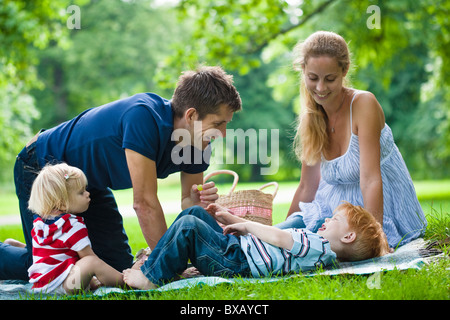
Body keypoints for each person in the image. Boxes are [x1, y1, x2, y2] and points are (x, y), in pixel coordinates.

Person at [0, 66, 242, 281]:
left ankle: (30, 247)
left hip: (87, 186)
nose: (223, 133)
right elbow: (145, 203)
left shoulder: (198, 143)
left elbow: (188, 201)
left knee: (115, 267)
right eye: (218, 123)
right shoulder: (143, 117)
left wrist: (197, 203)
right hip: (42, 168)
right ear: (191, 116)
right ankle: (15, 252)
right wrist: (169, 267)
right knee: (45, 270)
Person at [282, 31, 427, 249]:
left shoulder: (363, 104)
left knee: (308, 246)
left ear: (344, 70)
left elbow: (370, 179)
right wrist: (287, 228)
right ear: (303, 71)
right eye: (313, 78)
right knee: (280, 233)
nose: (320, 88)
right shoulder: (311, 117)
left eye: (329, 79)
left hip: (371, 213)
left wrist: (375, 239)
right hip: (331, 213)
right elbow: (306, 187)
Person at [122, 203, 389, 289]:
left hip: (236, 261)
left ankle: (151, 279)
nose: (328, 219)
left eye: (336, 220)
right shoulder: (317, 246)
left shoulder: (319, 247)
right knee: (194, 213)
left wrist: (246, 225)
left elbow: (279, 237)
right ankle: (161, 266)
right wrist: (231, 219)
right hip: (237, 249)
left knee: (190, 225)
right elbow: (271, 237)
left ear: (348, 238)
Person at [24, 163, 125, 295]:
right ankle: (126, 282)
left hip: (41, 285)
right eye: (81, 192)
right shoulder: (71, 225)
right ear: (61, 201)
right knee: (91, 262)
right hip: (63, 286)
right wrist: (92, 278)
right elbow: (88, 257)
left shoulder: (40, 223)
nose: (88, 194)